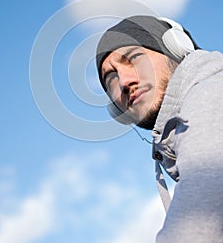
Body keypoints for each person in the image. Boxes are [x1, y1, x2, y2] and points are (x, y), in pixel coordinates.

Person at [95, 15, 223, 242]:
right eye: (111, 78)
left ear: (175, 49)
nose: (124, 82)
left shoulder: (210, 95)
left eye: (134, 58)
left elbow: (197, 229)